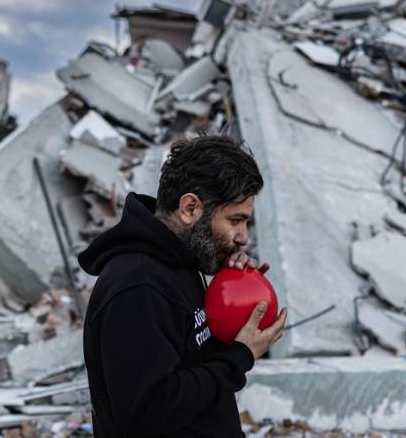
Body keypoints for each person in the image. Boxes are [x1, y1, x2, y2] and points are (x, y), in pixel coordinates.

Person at [79, 135, 288, 437]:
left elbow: (191, 361)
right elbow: (147, 412)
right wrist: (237, 358)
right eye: (235, 220)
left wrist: (234, 306)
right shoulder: (139, 287)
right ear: (190, 208)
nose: (244, 237)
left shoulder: (181, 265)